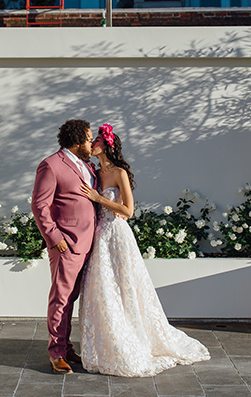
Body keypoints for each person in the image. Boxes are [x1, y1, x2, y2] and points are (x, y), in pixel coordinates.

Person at [77, 123, 211, 377]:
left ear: (106, 145)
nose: (92, 143)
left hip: (117, 235)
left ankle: (133, 337)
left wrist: (99, 199)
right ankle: (107, 341)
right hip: (99, 237)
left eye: (96, 140)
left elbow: (128, 211)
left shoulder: (119, 173)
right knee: (102, 289)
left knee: (125, 287)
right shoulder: (94, 172)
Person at [31, 119, 98, 375]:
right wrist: (55, 237)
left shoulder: (86, 165)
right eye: (89, 139)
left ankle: (67, 348)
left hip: (88, 243)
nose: (91, 144)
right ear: (77, 140)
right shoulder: (51, 165)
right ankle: (56, 353)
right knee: (60, 299)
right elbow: (39, 206)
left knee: (71, 299)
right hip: (66, 244)